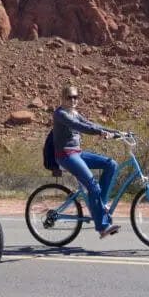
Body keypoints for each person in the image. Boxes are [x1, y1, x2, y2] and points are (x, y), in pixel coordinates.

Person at [52, 85, 121, 239]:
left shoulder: (74, 112)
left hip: (77, 153)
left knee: (111, 164)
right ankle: (102, 227)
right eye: (69, 97)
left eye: (76, 97)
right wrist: (98, 132)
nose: (73, 100)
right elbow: (80, 127)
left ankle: (100, 206)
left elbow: (91, 124)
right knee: (92, 185)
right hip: (65, 155)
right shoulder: (61, 114)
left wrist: (117, 133)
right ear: (62, 98)